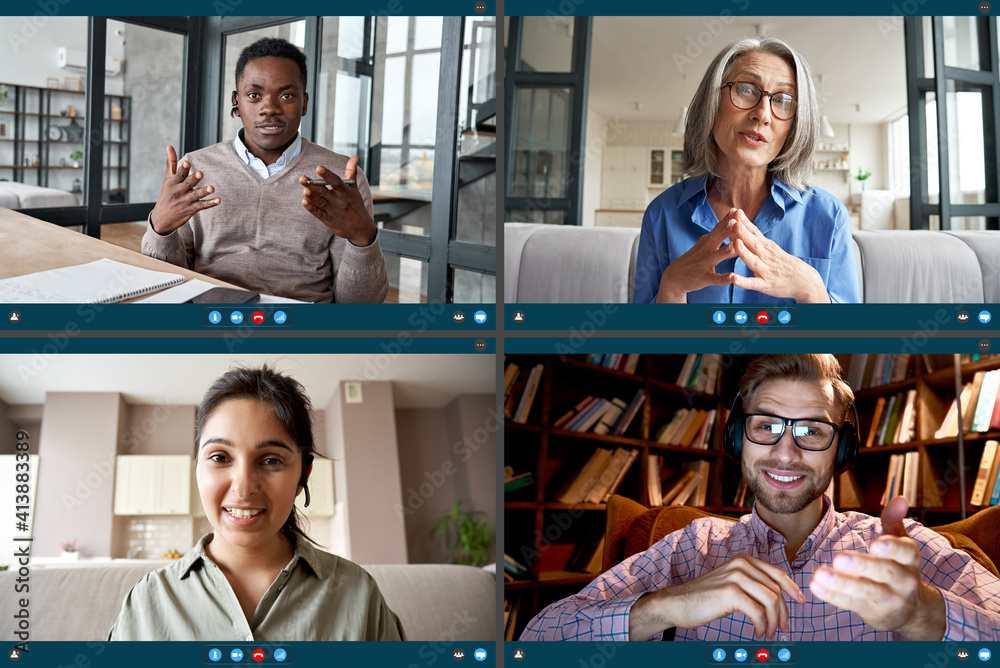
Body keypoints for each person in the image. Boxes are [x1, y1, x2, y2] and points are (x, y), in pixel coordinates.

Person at [521, 355, 1000, 641]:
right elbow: (538, 638)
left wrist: (925, 613)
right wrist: (664, 606)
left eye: (812, 430)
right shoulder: (691, 546)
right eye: (766, 426)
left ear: (842, 450)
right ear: (737, 440)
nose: (785, 452)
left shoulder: (901, 547)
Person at [109, 366, 404, 640]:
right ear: (197, 466)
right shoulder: (148, 600)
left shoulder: (359, 595)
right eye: (220, 457)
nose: (244, 487)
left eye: (271, 460)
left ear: (303, 474)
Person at [142, 38, 388, 303]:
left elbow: (361, 305)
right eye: (254, 95)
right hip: (213, 314)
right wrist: (160, 229)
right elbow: (167, 282)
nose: (269, 108)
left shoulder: (342, 179)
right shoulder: (195, 168)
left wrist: (363, 239)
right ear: (237, 102)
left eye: (286, 95)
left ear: (304, 103)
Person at [633, 38, 861, 304]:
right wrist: (671, 288)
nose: (762, 114)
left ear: (796, 124)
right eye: (745, 89)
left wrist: (812, 291)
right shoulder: (663, 214)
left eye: (783, 100)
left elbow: (847, 344)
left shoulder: (828, 216)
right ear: (712, 103)